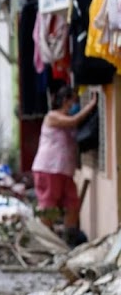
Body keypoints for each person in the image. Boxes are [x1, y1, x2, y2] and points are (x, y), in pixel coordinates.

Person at [32, 86, 97, 247]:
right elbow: (73, 121)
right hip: (49, 167)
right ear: (65, 101)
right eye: (73, 100)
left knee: (72, 203)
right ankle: (45, 242)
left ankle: (70, 240)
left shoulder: (68, 118)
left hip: (65, 170)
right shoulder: (52, 116)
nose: (75, 104)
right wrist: (91, 105)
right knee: (49, 205)